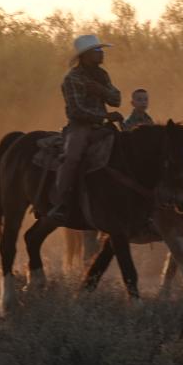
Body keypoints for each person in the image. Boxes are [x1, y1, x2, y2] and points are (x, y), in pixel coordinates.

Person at [49, 34, 124, 223]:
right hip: (80, 127)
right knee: (73, 157)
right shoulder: (72, 79)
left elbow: (116, 99)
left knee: (127, 149)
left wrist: (101, 91)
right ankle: (61, 202)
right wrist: (104, 116)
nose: (101, 54)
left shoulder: (102, 75)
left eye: (101, 50)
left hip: (102, 126)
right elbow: (76, 110)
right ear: (86, 55)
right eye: (97, 51)